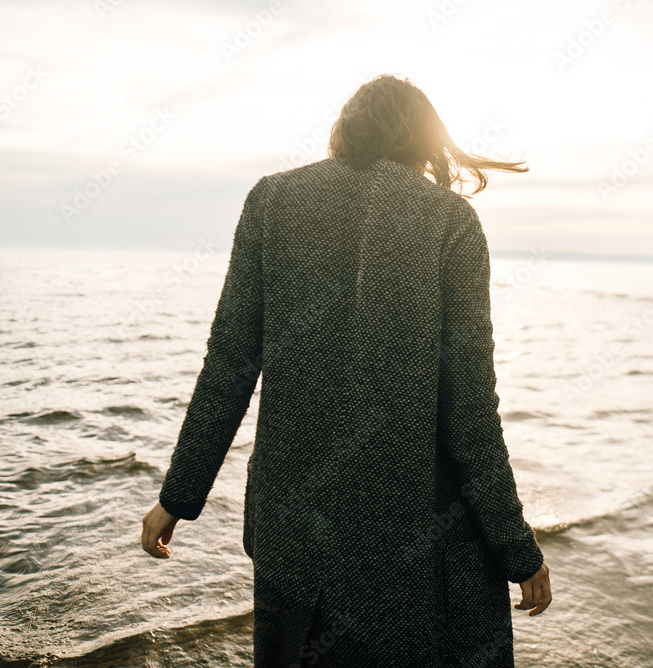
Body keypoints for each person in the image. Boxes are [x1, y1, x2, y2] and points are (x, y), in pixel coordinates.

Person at [141, 73, 551, 667]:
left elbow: (228, 365)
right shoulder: (449, 222)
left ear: (345, 130)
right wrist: (518, 551)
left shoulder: (271, 201)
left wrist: (177, 497)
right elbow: (469, 416)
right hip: (408, 544)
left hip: (293, 539)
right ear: (424, 143)